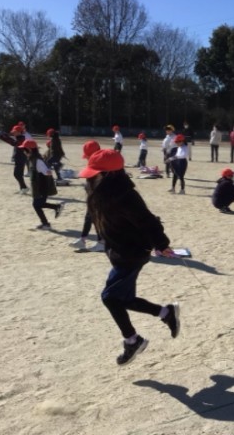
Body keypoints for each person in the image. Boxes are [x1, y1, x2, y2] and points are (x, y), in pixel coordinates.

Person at [79, 148, 180, 366]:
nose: (91, 177)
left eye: (96, 173)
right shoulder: (101, 192)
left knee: (109, 298)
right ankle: (166, 312)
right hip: (119, 251)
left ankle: (132, 340)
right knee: (124, 300)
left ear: (109, 174)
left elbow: (148, 221)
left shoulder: (125, 195)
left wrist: (162, 244)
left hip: (132, 253)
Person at [69, 140, 105, 252]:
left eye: (87, 156)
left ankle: (100, 242)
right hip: (93, 197)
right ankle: (84, 239)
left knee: (95, 218)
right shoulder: (97, 162)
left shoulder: (99, 165)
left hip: (98, 197)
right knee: (90, 218)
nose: (86, 159)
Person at [20, 139, 63, 230]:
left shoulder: (37, 161)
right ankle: (56, 207)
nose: (23, 152)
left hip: (42, 187)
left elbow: (48, 172)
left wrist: (47, 172)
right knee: (39, 204)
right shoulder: (33, 159)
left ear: (29, 150)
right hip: (39, 187)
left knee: (36, 205)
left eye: (24, 149)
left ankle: (46, 223)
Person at [0, 125, 28, 194]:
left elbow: (14, 143)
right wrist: (3, 136)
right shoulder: (19, 137)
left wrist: (3, 136)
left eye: (15, 132)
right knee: (18, 174)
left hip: (21, 158)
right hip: (20, 158)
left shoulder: (21, 139)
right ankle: (23, 188)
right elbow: (12, 141)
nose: (13, 133)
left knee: (17, 174)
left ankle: (24, 187)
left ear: (19, 132)